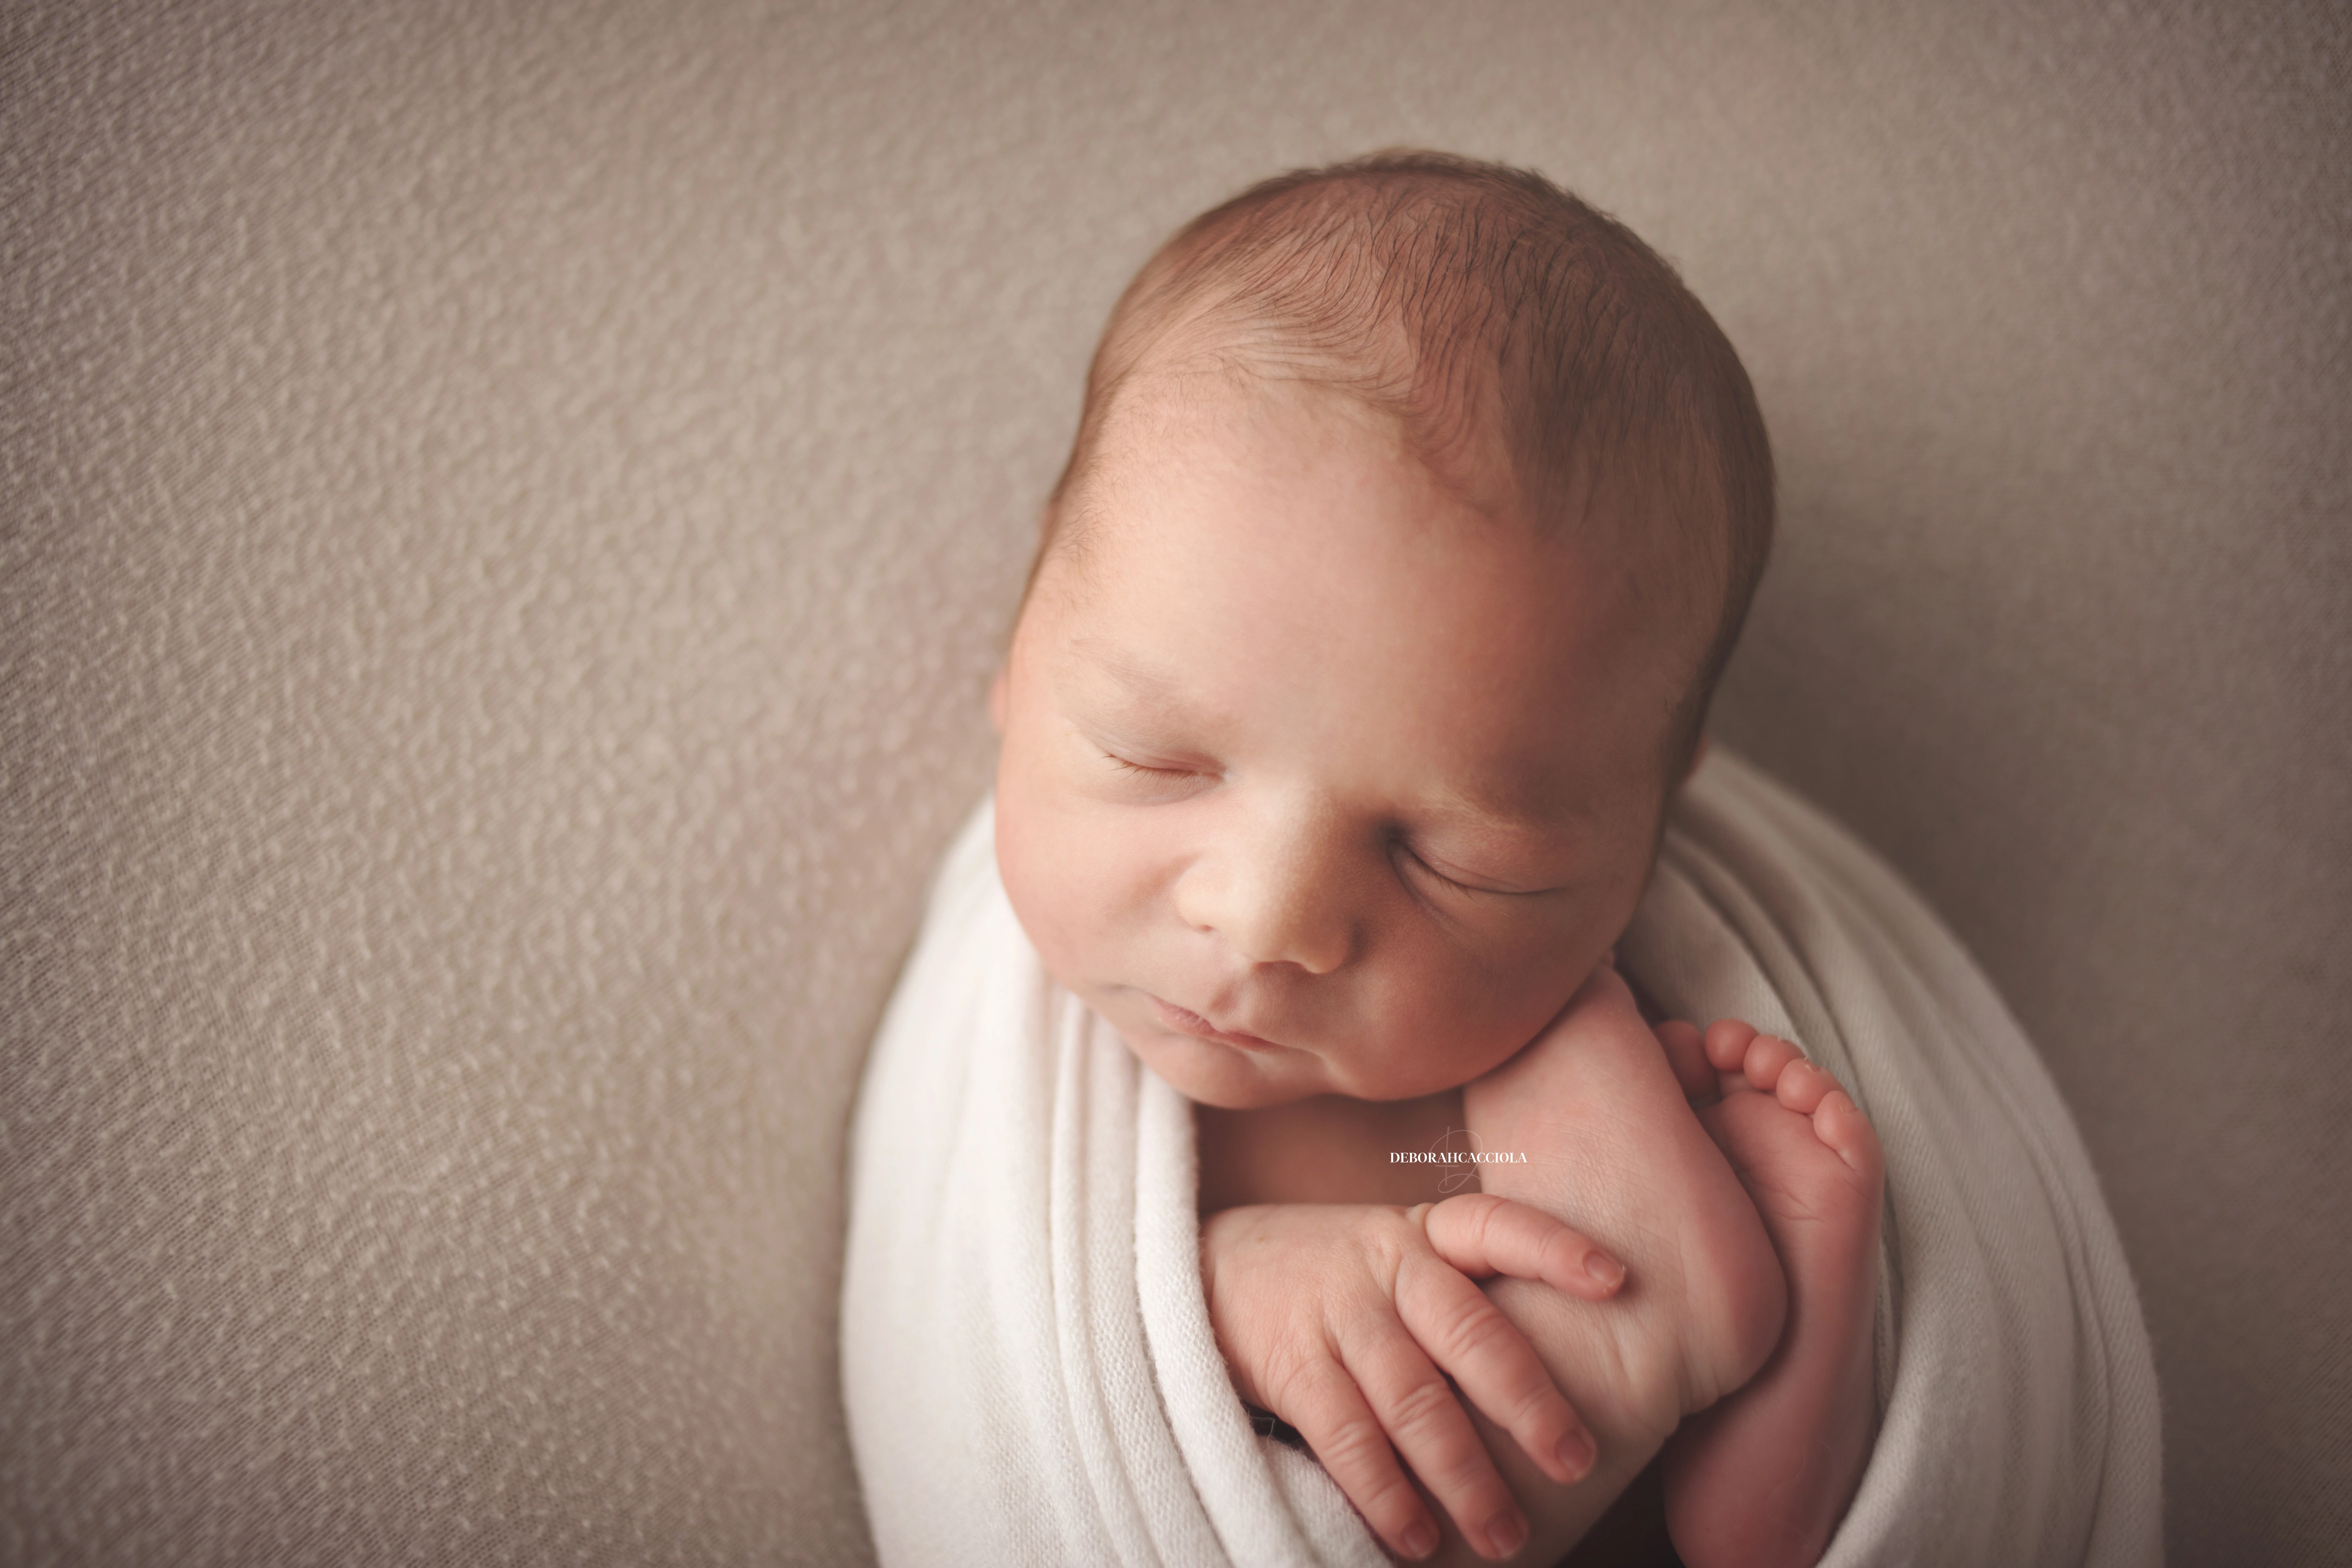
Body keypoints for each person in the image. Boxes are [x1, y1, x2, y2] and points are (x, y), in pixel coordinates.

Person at [986, 151, 1883, 1567]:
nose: (1268, 918)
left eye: (1447, 859)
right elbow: (1013, 1345)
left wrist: (1802, 1327)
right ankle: (1653, 1335)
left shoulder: (1494, 1113)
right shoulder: (1012, 1072)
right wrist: (1219, 1290)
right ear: (1021, 636)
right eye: (1158, 763)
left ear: (1647, 832)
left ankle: (1706, 1335)